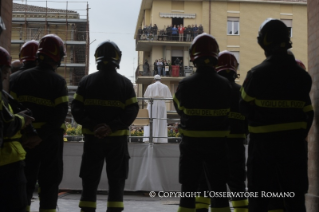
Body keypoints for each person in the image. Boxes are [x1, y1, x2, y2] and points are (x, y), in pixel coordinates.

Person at [240, 18, 314, 212]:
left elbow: (243, 107)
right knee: (294, 199)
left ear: (263, 41)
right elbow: (308, 114)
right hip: (294, 148)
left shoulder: (256, 75)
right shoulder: (303, 77)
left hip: (262, 148)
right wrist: (298, 135)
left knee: (260, 199)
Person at [71, 41, 139, 212]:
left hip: (92, 140)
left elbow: (76, 109)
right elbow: (131, 111)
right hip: (117, 142)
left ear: (97, 58)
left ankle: (87, 209)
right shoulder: (125, 84)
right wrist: (111, 127)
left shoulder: (86, 82)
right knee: (116, 180)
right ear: (118, 58)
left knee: (90, 178)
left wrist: (94, 126)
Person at [10, 34, 69, 212]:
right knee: (49, 183)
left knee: (25, 182)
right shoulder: (58, 82)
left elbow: (11, 112)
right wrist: (41, 136)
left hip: (23, 140)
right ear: (57, 56)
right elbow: (60, 115)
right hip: (50, 142)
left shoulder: (16, 80)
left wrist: (30, 136)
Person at [174, 33, 232, 212]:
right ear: (215, 56)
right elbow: (230, 111)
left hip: (191, 145)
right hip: (218, 145)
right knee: (219, 188)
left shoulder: (185, 84)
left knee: (188, 189)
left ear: (193, 57)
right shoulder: (225, 85)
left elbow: (179, 109)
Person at [195, 50, 248, 212]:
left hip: (213, 145)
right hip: (237, 146)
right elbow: (249, 117)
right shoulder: (242, 92)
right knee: (238, 185)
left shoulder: (210, 90)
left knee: (206, 182)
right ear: (234, 70)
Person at [0, 46, 35, 212]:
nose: (8, 75)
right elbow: (6, 124)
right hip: (8, 162)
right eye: (6, 70)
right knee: (17, 204)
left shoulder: (4, 93)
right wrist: (23, 119)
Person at [143, 75, 172, 143]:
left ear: (154, 80)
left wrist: (149, 102)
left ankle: (149, 138)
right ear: (161, 80)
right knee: (161, 120)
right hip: (161, 104)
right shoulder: (165, 86)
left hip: (152, 103)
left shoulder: (150, 86)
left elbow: (145, 97)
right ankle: (161, 139)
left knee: (150, 120)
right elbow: (169, 98)